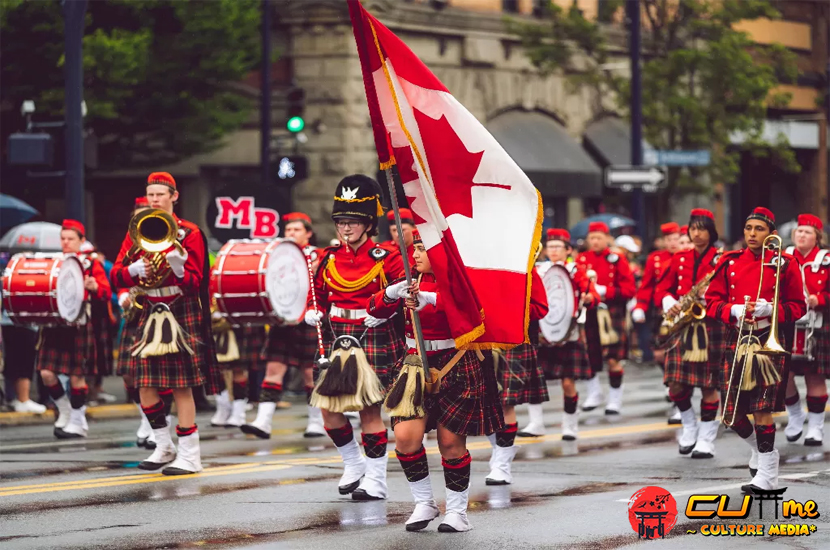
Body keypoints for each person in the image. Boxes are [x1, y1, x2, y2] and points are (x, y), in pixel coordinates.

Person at [367, 228, 503, 532]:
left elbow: (473, 312)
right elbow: (374, 309)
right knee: (405, 439)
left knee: (450, 442)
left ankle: (457, 512)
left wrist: (430, 298)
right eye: (414, 248)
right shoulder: (409, 279)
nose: (415, 255)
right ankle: (424, 503)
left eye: (421, 249)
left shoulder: (460, 279)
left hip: (455, 362)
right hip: (414, 363)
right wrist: (391, 293)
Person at [112, 172, 220, 475]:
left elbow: (197, 281)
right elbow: (116, 273)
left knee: (181, 387)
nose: (154, 199)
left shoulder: (190, 233)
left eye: (160, 194)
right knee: (144, 385)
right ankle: (163, 445)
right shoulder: (137, 230)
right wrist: (132, 271)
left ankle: (190, 455)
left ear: (174, 197)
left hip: (179, 308)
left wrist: (179, 268)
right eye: (151, 195)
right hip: (149, 308)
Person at [305, 174, 404, 500]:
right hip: (337, 336)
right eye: (341, 222)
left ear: (368, 223)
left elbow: (404, 292)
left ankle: (376, 480)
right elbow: (317, 293)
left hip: (371, 334)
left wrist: (386, 302)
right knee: (328, 410)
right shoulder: (328, 258)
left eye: (353, 222)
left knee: (369, 412)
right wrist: (311, 310)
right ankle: (353, 462)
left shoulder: (386, 257)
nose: (346, 229)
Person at [705, 206, 806, 492]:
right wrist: (733, 309)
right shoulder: (729, 262)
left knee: (762, 409)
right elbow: (711, 303)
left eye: (758, 229)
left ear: (771, 234)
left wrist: (771, 309)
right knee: (730, 413)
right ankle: (764, 454)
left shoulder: (785, 263)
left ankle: (768, 476)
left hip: (768, 342)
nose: (752, 234)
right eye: (749, 228)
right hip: (737, 338)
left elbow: (799, 306)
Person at [243, 211, 325, 439]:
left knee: (310, 374)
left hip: (308, 318)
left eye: (296, 230)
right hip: (283, 319)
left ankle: (316, 422)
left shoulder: (318, 255)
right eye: (288, 230)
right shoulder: (278, 255)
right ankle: (263, 421)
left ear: (308, 233)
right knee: (273, 370)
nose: (291, 233)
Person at [655, 209, 725, 458]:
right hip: (683, 325)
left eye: (701, 229)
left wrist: (713, 299)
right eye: (692, 229)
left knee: (708, 385)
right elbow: (661, 288)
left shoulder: (722, 258)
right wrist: (668, 301)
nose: (696, 233)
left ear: (711, 231)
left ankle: (706, 438)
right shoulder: (679, 258)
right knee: (675, 384)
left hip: (711, 327)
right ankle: (689, 425)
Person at [35, 220, 111, 438]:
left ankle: (78, 422)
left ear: (81, 240)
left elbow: (106, 291)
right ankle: (65, 410)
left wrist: (95, 287)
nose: (66, 242)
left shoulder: (90, 263)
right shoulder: (54, 262)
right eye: (63, 238)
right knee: (46, 373)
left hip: (79, 324)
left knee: (77, 376)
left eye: (70, 239)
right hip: (55, 324)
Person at [114, 197, 175, 449]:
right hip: (136, 313)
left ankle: (162, 425)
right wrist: (123, 294)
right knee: (130, 375)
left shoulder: (169, 238)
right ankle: (145, 417)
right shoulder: (130, 244)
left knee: (162, 376)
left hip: (163, 311)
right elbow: (118, 276)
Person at [530, 229, 599, 441]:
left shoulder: (576, 270)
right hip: (542, 332)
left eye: (558, 247)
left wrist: (589, 297)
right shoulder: (539, 270)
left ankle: (570, 425)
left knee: (568, 383)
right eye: (550, 247)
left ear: (568, 250)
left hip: (568, 332)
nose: (553, 251)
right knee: (535, 381)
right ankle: (536, 423)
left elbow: (593, 294)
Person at [486, 257, 548, 484]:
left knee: (505, 403)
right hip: (481, 340)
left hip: (512, 339)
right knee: (485, 404)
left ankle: (502, 465)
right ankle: (500, 451)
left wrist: (511, 307)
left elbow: (541, 307)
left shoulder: (524, 264)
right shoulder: (475, 260)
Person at [576, 222, 636, 414]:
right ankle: (594, 393)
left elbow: (629, 290)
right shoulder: (581, 259)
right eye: (591, 237)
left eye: (598, 237)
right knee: (588, 356)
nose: (594, 241)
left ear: (607, 239)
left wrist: (605, 291)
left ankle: (614, 399)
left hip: (611, 313)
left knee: (613, 358)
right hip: (589, 312)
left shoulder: (617, 259)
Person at [782, 213, 828, 446]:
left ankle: (816, 427)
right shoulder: (784, 256)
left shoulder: (826, 259)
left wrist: (819, 299)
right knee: (783, 375)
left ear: (817, 237)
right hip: (788, 323)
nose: (801, 235)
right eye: (799, 231)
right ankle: (795, 417)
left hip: (816, 324)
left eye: (807, 232)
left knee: (814, 375)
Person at [632, 222, 681, 364]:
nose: (672, 243)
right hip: (661, 308)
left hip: (684, 306)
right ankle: (669, 381)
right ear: (663, 241)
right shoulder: (655, 258)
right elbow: (647, 286)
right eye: (668, 239)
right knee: (659, 350)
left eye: (675, 239)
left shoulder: (687, 257)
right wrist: (640, 306)